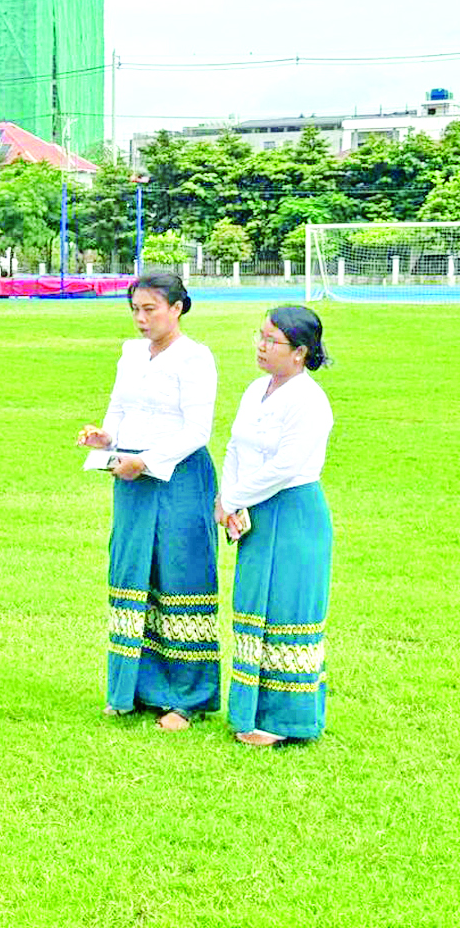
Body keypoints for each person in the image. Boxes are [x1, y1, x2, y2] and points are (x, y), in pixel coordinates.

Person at [77, 272, 219, 731]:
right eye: (135, 309)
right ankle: (134, 689)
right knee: (132, 572)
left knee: (179, 575)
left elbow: (197, 431)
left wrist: (147, 461)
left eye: (150, 309)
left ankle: (187, 698)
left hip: (178, 478)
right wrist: (105, 438)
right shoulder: (131, 352)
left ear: (177, 308)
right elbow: (120, 409)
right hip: (130, 477)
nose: (141, 318)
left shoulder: (195, 358)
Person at [216, 306, 334, 747]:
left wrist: (235, 498)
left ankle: (287, 721)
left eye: (272, 341)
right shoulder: (255, 390)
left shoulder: (310, 401)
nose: (261, 347)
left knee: (286, 609)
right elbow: (236, 445)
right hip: (255, 511)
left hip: (294, 514)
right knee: (254, 606)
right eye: (259, 336)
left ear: (300, 352)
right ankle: (249, 710)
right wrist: (227, 496)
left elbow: (286, 466)